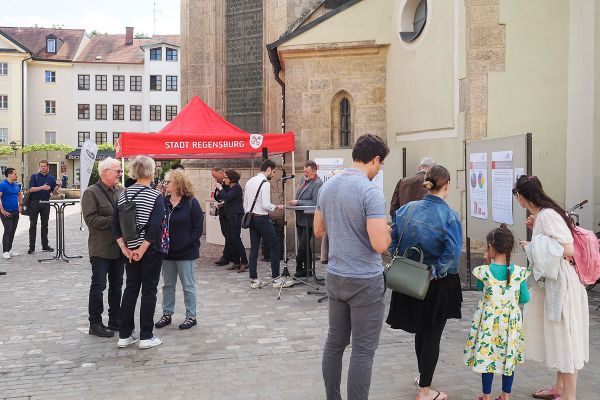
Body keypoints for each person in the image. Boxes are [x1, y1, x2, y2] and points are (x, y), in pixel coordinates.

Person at [314, 134, 391, 400]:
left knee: (335, 342)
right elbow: (380, 244)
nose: (379, 169)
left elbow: (318, 230)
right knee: (362, 349)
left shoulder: (328, 186)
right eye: (381, 164)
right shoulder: (370, 191)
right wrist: (388, 232)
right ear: (375, 159)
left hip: (336, 275)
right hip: (364, 279)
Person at [386, 165, 463, 400]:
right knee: (432, 334)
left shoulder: (407, 209)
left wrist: (401, 259)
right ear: (447, 186)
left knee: (422, 330)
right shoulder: (449, 216)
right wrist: (435, 271)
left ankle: (423, 378)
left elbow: (392, 241)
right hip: (436, 282)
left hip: (411, 277)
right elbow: (452, 253)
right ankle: (425, 391)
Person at [513, 175, 589, 400]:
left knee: (566, 338)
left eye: (516, 193)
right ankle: (559, 388)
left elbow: (568, 249)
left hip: (562, 285)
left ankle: (569, 396)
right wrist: (536, 230)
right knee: (559, 336)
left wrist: (533, 245)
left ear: (523, 196)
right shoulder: (544, 214)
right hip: (556, 282)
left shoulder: (547, 215)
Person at [464, 224, 531, 400]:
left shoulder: (484, 271)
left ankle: (486, 396)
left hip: (488, 325)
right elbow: (525, 298)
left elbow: (480, 287)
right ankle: (505, 396)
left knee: (488, 360)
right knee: (508, 359)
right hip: (510, 325)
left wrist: (487, 264)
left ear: (491, 247)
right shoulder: (517, 272)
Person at [112, 155, 166, 350]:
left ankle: (124, 335)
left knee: (131, 289)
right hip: (149, 250)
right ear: (151, 172)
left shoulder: (123, 194)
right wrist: (142, 250)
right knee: (149, 290)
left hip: (130, 249)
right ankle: (146, 335)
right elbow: (155, 228)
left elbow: (115, 225)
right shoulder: (155, 196)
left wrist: (125, 249)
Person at [81, 157, 125, 338]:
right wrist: (115, 221)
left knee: (117, 286)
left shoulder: (120, 191)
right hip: (101, 249)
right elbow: (91, 220)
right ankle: (95, 323)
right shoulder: (91, 193)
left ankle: (115, 320)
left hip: (118, 248)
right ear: (106, 172)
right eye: (117, 171)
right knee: (98, 286)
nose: (120, 174)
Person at [155, 169, 203, 331]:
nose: (165, 184)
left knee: (188, 286)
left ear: (178, 183)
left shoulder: (191, 202)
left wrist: (188, 242)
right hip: (167, 252)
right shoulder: (162, 201)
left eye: (168, 181)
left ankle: (191, 316)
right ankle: (167, 314)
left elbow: (198, 228)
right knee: (168, 285)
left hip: (186, 252)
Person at [243, 159, 289, 289]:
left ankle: (254, 280)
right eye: (273, 172)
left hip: (251, 217)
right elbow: (265, 205)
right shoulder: (265, 183)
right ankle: (276, 280)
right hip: (261, 218)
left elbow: (245, 204)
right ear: (268, 169)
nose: (273, 175)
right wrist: (277, 206)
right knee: (275, 246)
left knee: (254, 248)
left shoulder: (250, 181)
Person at [289, 160, 323, 278]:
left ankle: (300, 266)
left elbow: (315, 202)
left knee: (303, 245)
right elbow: (300, 194)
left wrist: (298, 202)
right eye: (304, 171)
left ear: (313, 171)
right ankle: (307, 269)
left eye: (307, 171)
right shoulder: (304, 180)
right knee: (305, 245)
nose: (305, 173)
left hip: (309, 219)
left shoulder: (317, 183)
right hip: (300, 217)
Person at [214, 169, 248, 272]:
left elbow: (228, 197)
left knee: (236, 239)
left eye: (226, 177)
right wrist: (222, 203)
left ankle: (245, 262)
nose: (224, 179)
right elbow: (225, 198)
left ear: (231, 178)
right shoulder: (230, 187)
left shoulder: (236, 187)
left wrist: (220, 188)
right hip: (230, 216)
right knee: (231, 239)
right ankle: (236, 262)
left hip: (236, 216)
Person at [28, 160, 59, 254]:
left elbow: (53, 192)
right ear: (39, 167)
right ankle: (31, 247)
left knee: (45, 225)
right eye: (41, 166)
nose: (43, 168)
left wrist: (56, 189)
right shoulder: (34, 176)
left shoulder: (51, 178)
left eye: (44, 166)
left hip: (45, 203)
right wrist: (42, 187)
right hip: (34, 203)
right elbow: (31, 189)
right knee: (33, 225)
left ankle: (45, 245)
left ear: (47, 167)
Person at [212, 167, 234, 266]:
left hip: (229, 213)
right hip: (222, 212)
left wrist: (223, 199)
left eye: (216, 176)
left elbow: (228, 196)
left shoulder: (229, 182)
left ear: (222, 173)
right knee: (226, 234)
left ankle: (227, 257)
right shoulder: (219, 183)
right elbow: (217, 195)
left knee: (230, 235)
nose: (215, 179)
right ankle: (230, 256)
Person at [0, 167, 23, 259]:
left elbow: (20, 194)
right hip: (6, 212)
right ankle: (5, 251)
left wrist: (20, 206)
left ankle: (9, 250)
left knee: (12, 231)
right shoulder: (2, 185)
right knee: (8, 230)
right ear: (9, 175)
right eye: (15, 174)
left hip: (15, 212)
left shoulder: (15, 185)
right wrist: (2, 209)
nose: (17, 175)